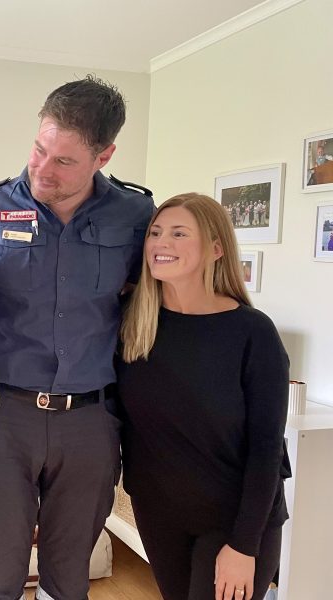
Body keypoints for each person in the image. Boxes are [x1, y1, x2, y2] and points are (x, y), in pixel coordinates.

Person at [0, 75, 155, 600]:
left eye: (65, 161)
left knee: (70, 579)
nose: (43, 169)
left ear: (105, 155)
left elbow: (161, 299)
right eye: (39, 149)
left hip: (90, 420)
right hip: (1, 417)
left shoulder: (136, 216)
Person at [117, 193, 289, 600]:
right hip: (160, 515)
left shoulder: (253, 334)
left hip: (234, 522)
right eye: (156, 233)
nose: (162, 243)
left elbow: (266, 450)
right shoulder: (132, 323)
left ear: (215, 249)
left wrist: (245, 545)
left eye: (179, 234)